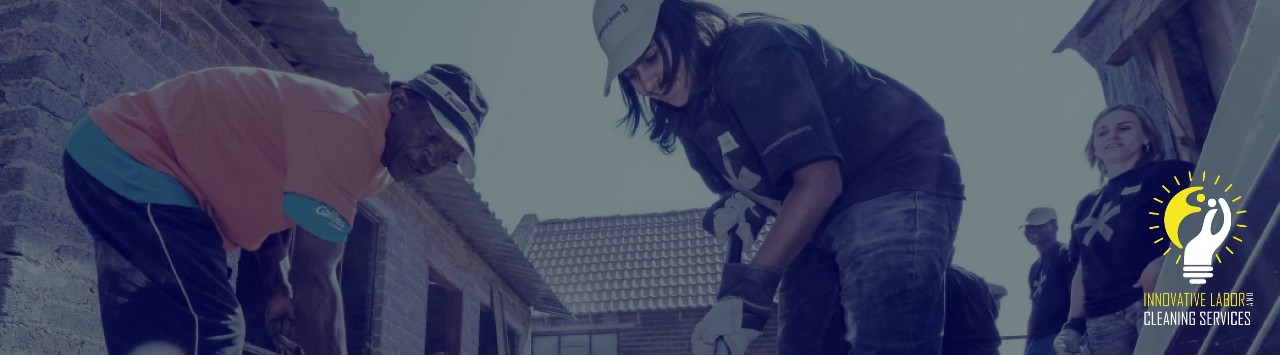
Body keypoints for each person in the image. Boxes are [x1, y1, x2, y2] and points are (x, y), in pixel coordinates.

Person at [591, 1, 965, 353]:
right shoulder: (686, 115)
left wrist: (748, 292)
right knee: (804, 344)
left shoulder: (755, 52)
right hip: (821, 218)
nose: (649, 82)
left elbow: (819, 179)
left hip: (892, 178)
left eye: (651, 57)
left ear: (680, 23)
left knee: (884, 341)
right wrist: (745, 208)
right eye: (632, 75)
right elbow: (752, 184)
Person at [62, 64, 488, 355]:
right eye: (431, 135)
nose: (432, 157)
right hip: (136, 159)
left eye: (446, 156)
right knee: (213, 331)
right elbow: (318, 279)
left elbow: (283, 205)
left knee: (162, 340)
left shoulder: (378, 162)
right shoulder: (351, 130)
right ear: (401, 100)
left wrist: (277, 289)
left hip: (134, 172)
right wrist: (297, 290)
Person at [1054, 105, 1193, 355]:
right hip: (1102, 321)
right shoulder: (1086, 205)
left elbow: (1210, 219)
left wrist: (1170, 260)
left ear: (1147, 137)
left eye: (1124, 128)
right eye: (1102, 133)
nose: (1113, 136)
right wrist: (1073, 325)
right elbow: (1083, 268)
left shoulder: (1169, 174)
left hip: (1157, 302)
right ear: (1094, 148)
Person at [1020, 207, 1074, 355]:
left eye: (1039, 225)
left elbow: (1077, 293)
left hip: (1059, 336)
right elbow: (1035, 308)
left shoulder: (1065, 254)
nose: (1033, 229)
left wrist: (1075, 332)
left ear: (1054, 227)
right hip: (1037, 342)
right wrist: (1027, 346)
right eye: (1029, 226)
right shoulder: (1034, 267)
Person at [943, 266, 1003, 355]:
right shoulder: (976, 278)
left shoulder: (939, 280)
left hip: (958, 349)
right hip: (989, 349)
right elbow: (994, 313)